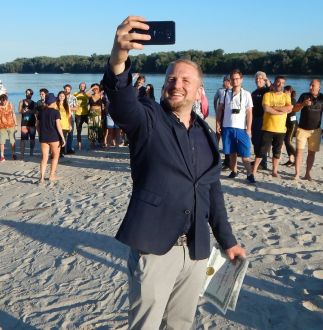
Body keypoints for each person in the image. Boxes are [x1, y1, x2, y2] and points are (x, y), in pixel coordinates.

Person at [104, 16, 246, 329]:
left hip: (196, 250)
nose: (176, 84)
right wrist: (119, 57)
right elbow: (122, 102)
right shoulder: (148, 118)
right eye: (171, 78)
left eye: (185, 80)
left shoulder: (206, 133)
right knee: (147, 324)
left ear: (199, 91)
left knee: (181, 323)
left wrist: (228, 240)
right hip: (155, 247)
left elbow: (212, 191)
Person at [217, 69, 255, 183]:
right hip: (227, 127)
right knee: (231, 152)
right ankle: (234, 171)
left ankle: (249, 174)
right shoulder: (225, 93)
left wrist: (249, 128)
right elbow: (220, 109)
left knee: (245, 154)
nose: (235, 81)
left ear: (241, 80)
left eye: (237, 79)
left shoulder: (246, 94)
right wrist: (218, 123)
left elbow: (249, 113)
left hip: (241, 128)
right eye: (233, 79)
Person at [252, 76, 293, 178]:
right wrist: (281, 111)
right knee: (262, 151)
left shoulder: (286, 96)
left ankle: (274, 171)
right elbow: (266, 109)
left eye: (282, 83)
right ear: (274, 83)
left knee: (277, 151)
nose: (280, 84)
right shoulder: (267, 95)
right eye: (278, 82)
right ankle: (254, 170)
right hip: (268, 127)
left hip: (280, 129)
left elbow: (290, 108)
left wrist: (275, 108)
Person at [291, 79, 323, 181]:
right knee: (299, 152)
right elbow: (295, 109)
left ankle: (307, 173)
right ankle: (297, 174)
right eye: (310, 85)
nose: (310, 87)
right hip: (302, 129)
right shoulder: (304, 95)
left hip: (315, 130)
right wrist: (303, 104)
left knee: (312, 153)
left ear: (319, 87)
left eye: (313, 85)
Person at [36, 93, 66, 183]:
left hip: (43, 137)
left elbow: (37, 125)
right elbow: (58, 126)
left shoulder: (41, 112)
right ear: (53, 102)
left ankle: (41, 178)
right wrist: (63, 138)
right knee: (55, 156)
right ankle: (51, 176)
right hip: (54, 137)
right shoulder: (56, 112)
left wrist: (40, 133)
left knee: (44, 158)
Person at [251, 71, 271, 171]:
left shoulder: (267, 91)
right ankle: (257, 159)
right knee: (254, 141)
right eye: (257, 79)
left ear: (264, 80)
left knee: (262, 142)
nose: (258, 80)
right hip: (254, 119)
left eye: (260, 78)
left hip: (263, 120)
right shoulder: (253, 93)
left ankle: (263, 163)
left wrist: (267, 81)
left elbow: (273, 90)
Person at [214, 75, 231, 169]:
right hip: (221, 115)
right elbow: (214, 100)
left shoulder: (233, 91)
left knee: (227, 139)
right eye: (225, 81)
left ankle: (227, 160)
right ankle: (215, 151)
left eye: (228, 81)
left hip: (228, 118)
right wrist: (216, 111)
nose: (226, 82)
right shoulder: (220, 91)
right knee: (218, 134)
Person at [0, 94, 17, 161]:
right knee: (1, 141)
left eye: (5, 100)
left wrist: (16, 124)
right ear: (0, 100)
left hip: (11, 125)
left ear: (7, 100)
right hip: (1, 126)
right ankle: (2, 156)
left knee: (12, 141)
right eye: (2, 101)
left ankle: (13, 154)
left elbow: (13, 114)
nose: (4, 102)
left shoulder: (10, 104)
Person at [18, 88, 37, 160]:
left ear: (32, 94)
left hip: (32, 123)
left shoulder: (34, 103)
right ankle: (22, 155)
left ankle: (31, 153)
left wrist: (37, 123)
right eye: (26, 93)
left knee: (32, 139)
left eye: (29, 93)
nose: (28, 94)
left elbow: (36, 113)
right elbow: (19, 111)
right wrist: (24, 109)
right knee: (23, 139)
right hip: (24, 123)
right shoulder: (21, 102)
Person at [282, 85, 298, 166]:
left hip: (292, 124)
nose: (284, 92)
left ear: (290, 92)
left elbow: (288, 110)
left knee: (288, 141)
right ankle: (291, 159)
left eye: (287, 91)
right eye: (284, 91)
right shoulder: (284, 99)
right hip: (286, 124)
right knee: (286, 141)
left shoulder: (293, 100)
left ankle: (297, 157)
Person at [88, 83, 106, 148]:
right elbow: (86, 93)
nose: (95, 89)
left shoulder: (101, 96)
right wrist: (92, 87)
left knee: (99, 128)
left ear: (99, 89)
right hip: (91, 113)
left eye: (97, 88)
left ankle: (101, 142)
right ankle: (92, 142)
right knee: (91, 128)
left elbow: (105, 104)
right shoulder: (90, 96)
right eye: (94, 89)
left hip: (99, 113)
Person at [55, 90, 72, 155]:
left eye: (63, 96)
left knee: (63, 138)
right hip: (57, 124)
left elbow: (69, 116)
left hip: (65, 125)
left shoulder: (67, 105)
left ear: (65, 97)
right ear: (58, 96)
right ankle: (56, 152)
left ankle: (61, 152)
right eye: (60, 96)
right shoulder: (55, 104)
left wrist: (70, 125)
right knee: (57, 139)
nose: (62, 97)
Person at [74, 83, 90, 151]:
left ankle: (91, 141)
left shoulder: (87, 94)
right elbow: (70, 98)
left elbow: (93, 99)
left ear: (85, 87)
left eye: (83, 86)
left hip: (86, 113)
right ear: (79, 87)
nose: (82, 87)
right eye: (81, 86)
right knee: (78, 130)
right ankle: (79, 144)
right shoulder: (75, 94)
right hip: (78, 114)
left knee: (91, 127)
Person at [64, 84, 78, 154]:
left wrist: (68, 108)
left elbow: (76, 108)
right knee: (63, 133)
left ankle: (69, 148)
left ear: (70, 90)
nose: (67, 90)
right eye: (66, 89)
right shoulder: (61, 97)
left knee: (70, 133)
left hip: (71, 117)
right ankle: (62, 149)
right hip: (62, 118)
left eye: (68, 89)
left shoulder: (74, 98)